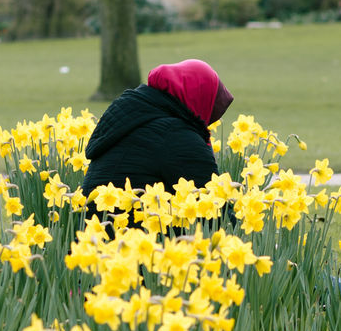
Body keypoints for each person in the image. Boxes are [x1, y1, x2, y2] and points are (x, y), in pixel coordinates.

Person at [80, 59, 233, 214]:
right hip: (126, 234)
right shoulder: (175, 134)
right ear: (197, 98)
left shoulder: (134, 116)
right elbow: (216, 210)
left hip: (93, 232)